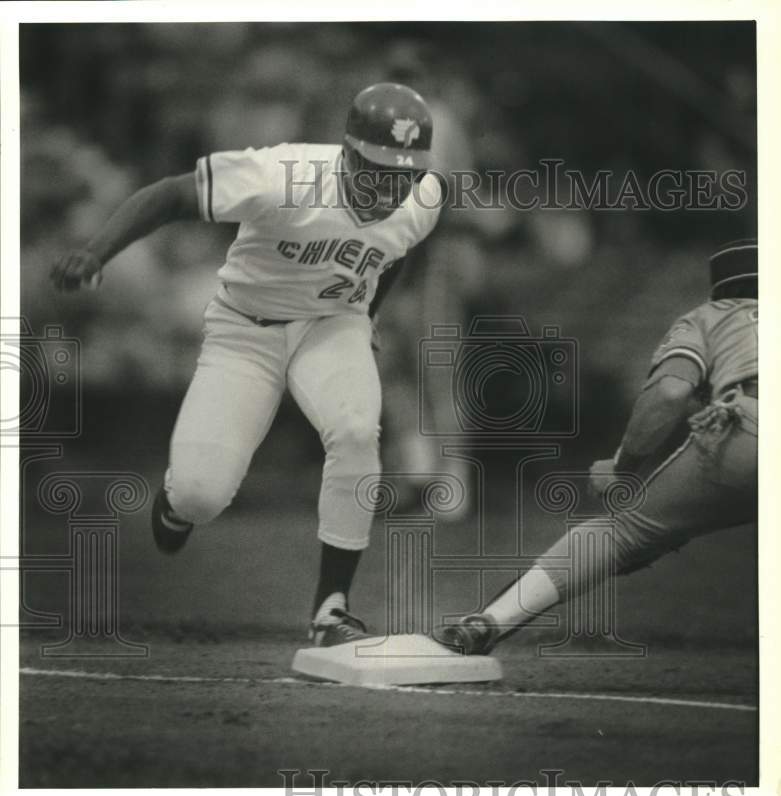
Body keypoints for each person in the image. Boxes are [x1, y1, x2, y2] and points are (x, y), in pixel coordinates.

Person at [51, 82, 442, 647]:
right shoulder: (283, 176)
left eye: (405, 173)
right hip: (245, 329)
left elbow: (397, 251)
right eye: (380, 169)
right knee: (201, 494)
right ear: (349, 152)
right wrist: (96, 252)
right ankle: (178, 503)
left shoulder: (423, 197)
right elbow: (170, 195)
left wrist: (370, 314)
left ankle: (332, 607)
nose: (393, 186)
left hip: (333, 324)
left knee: (357, 430)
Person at [434, 238, 758, 655]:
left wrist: (624, 467)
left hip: (749, 431)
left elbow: (671, 393)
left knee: (621, 532)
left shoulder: (713, 315)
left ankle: (487, 624)